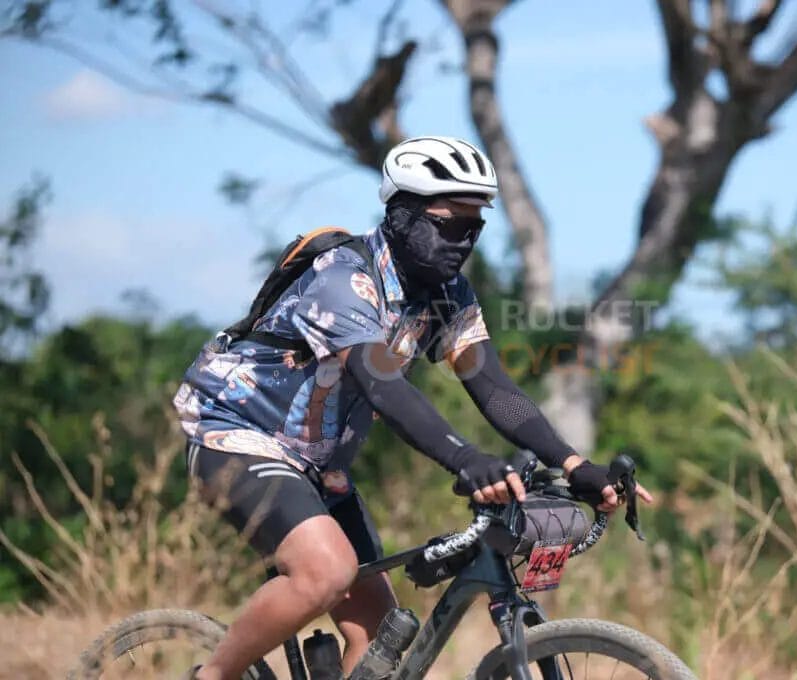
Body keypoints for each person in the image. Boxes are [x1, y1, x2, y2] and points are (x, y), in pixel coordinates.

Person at [173, 136, 652, 679]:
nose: (462, 241)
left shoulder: (449, 294)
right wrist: (465, 459)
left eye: (474, 228)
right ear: (400, 217)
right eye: (448, 224)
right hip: (237, 435)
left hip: (322, 466)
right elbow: (383, 384)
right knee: (326, 573)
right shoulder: (342, 278)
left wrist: (573, 464)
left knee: (378, 636)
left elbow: (493, 387)